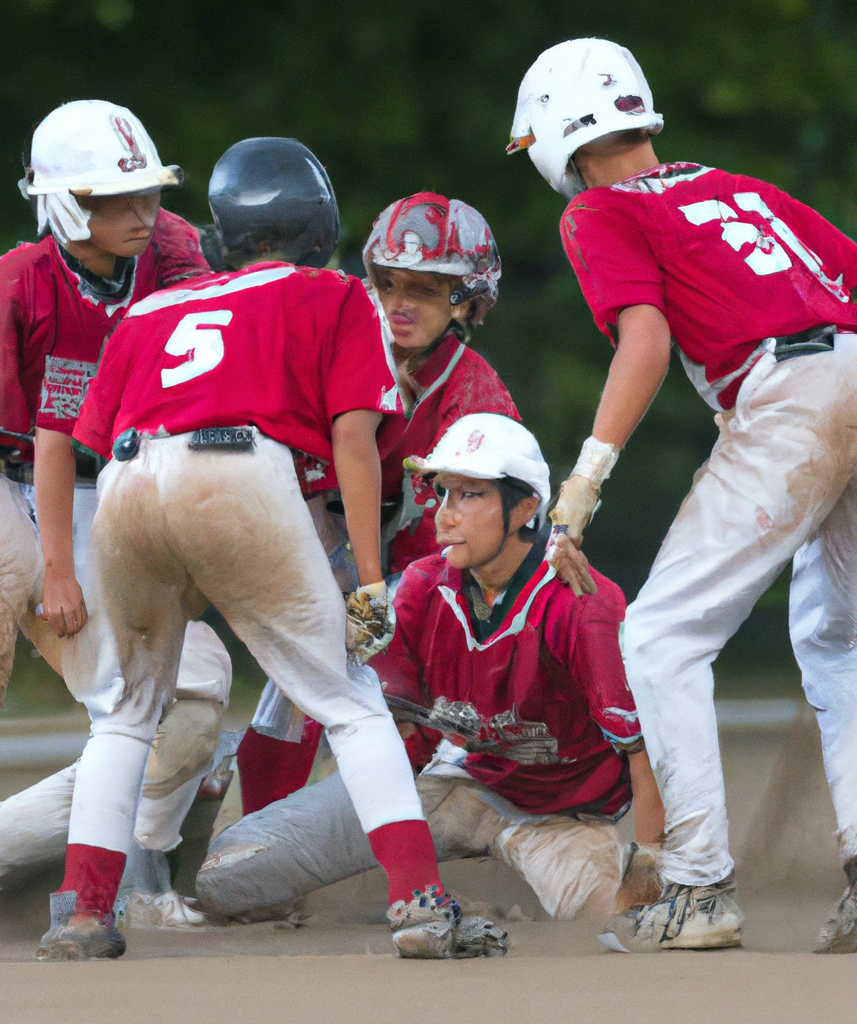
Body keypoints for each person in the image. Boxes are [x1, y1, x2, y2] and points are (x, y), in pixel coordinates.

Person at [36, 137, 507, 962]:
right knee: (353, 703)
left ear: (221, 231)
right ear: (321, 226)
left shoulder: (149, 310)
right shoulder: (330, 294)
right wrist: (367, 582)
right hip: (237, 473)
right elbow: (353, 445)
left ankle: (82, 912)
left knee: (127, 715)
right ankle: (421, 903)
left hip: (127, 482)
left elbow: (97, 440)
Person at [508, 37, 857, 953]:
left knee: (658, 636)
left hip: (789, 396)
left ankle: (698, 886)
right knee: (832, 637)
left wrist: (583, 483)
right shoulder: (739, 186)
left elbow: (645, 343)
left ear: (553, 136)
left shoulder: (597, 210)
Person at [0, 100, 232, 949]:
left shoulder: (169, 253)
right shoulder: (20, 286)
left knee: (189, 693)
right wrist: (57, 570)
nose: (141, 213)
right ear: (63, 201)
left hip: (78, 480)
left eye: (146, 192)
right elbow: (43, 437)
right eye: (113, 198)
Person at [196, 414, 664, 924]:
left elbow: (647, 754)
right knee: (224, 877)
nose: (445, 516)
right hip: (454, 781)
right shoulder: (423, 586)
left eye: (470, 495)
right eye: (444, 494)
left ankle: (530, 873)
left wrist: (652, 858)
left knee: (624, 924)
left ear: (526, 507)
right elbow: (389, 726)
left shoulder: (583, 606)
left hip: (559, 817)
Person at [236, 193, 594, 813]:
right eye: (388, 282)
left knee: (374, 690)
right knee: (286, 703)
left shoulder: (474, 392)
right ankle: (249, 840)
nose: (400, 304)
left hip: (426, 579)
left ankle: (382, 848)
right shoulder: (336, 344)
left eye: (426, 289)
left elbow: (496, 528)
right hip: (319, 549)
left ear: (469, 300)